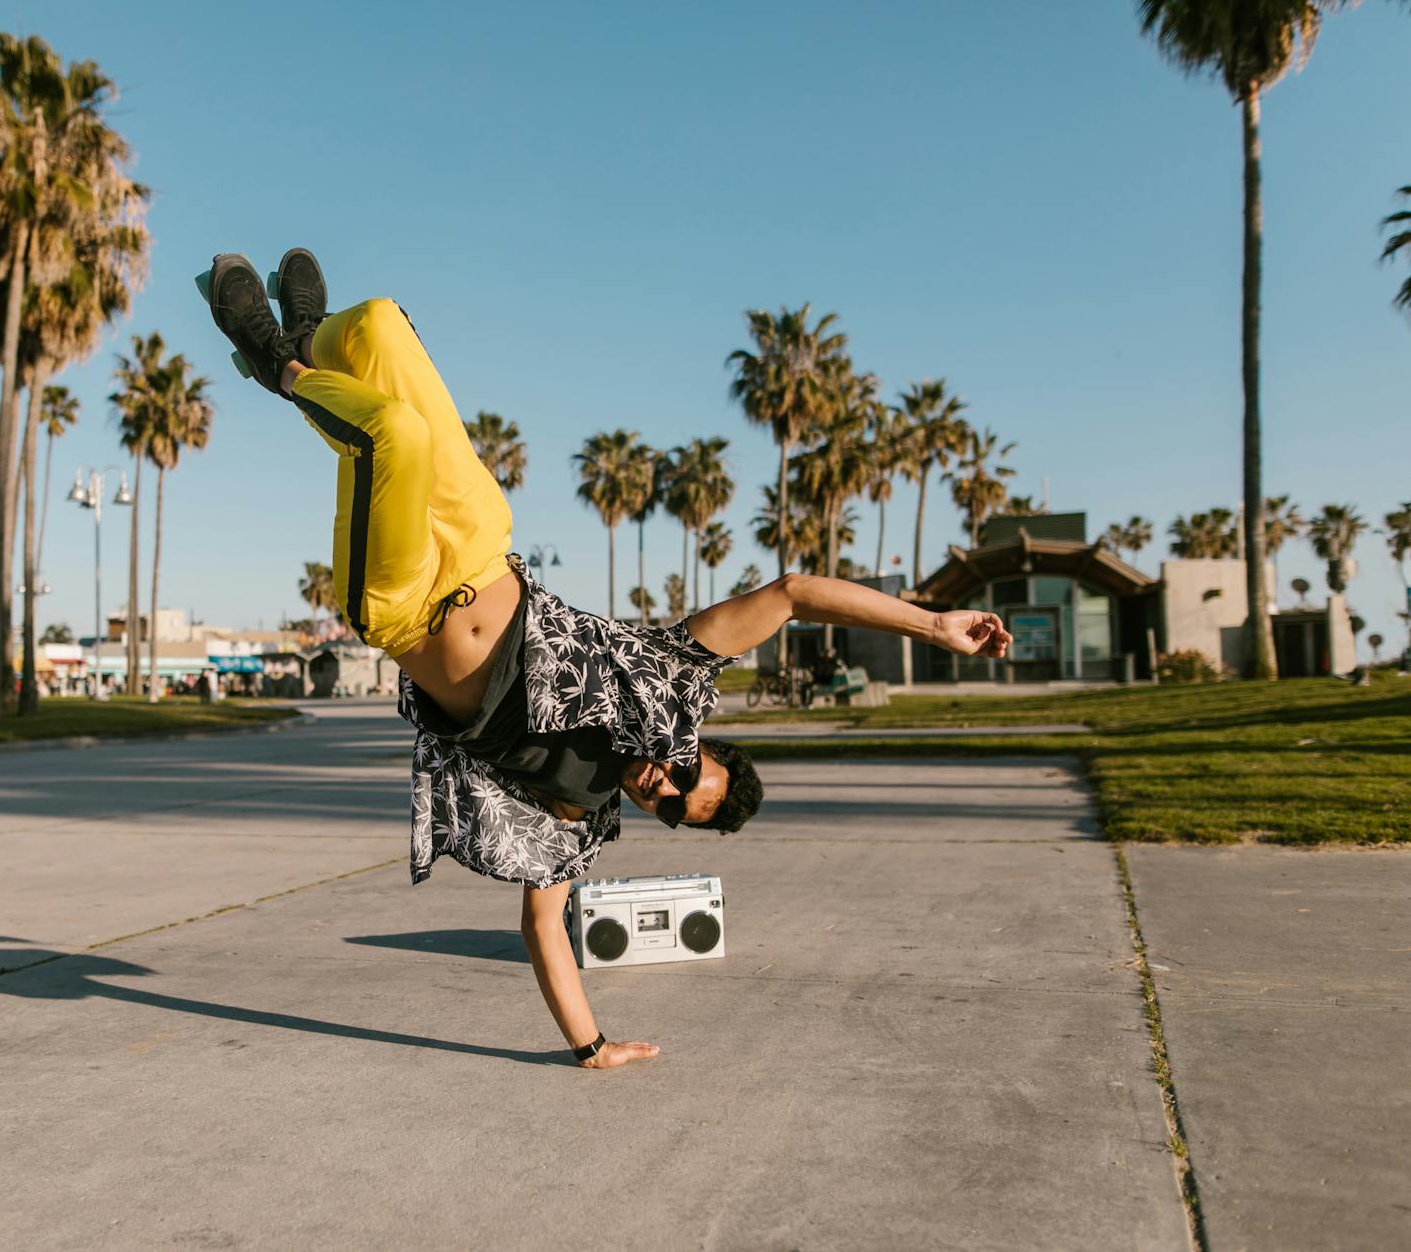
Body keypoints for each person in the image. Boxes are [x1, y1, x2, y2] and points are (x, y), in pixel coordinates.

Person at [200, 251, 1012, 1069]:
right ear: (698, 744)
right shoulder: (666, 674)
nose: (665, 788)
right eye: (689, 779)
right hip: (482, 549)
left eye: (671, 811)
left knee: (393, 433)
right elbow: (795, 591)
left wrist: (590, 1044)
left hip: (403, 602)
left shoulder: (573, 819)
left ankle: (279, 362)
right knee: (378, 325)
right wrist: (935, 626)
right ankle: (310, 336)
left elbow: (543, 928)